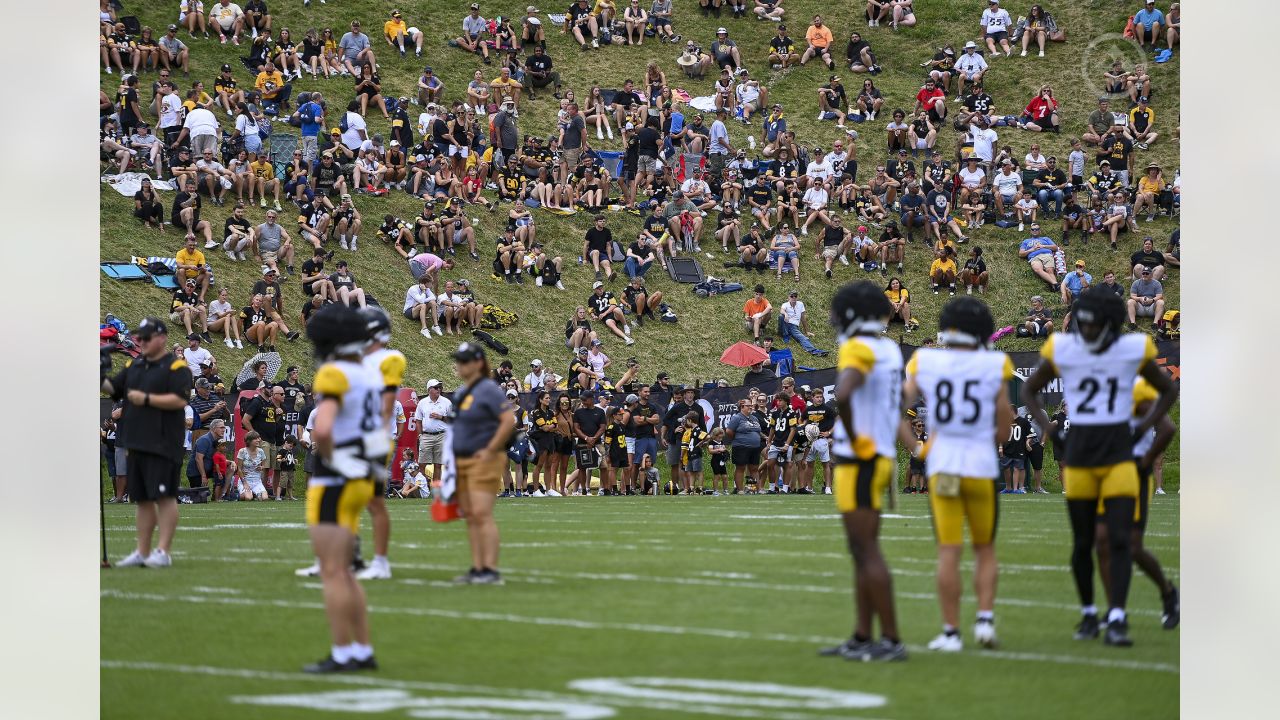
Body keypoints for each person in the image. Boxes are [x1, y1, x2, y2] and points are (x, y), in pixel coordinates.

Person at [1022, 287, 1178, 647]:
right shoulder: (1064, 348)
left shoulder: (1131, 351)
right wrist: (1048, 429)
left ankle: (1118, 616)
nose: (1085, 330)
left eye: (1092, 324)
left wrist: (1141, 426)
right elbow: (1030, 390)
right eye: (1082, 323)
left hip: (1119, 456)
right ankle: (1090, 611)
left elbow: (1167, 392)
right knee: (1083, 543)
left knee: (1121, 541)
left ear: (1109, 324)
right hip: (1079, 457)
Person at [901, 297, 1015, 652]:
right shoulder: (995, 362)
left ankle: (951, 632)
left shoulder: (926, 360)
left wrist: (917, 449)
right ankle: (984, 620)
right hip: (980, 466)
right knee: (985, 549)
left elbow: (895, 406)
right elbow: (1005, 420)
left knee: (949, 551)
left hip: (944, 467)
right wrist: (989, 442)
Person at [818, 282, 906, 662]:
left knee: (866, 550)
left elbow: (844, 392)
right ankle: (861, 635)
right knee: (860, 550)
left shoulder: (856, 347)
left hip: (861, 460)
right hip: (879, 455)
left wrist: (854, 437)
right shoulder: (888, 347)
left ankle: (889, 639)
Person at [298, 303, 381, 672]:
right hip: (362, 475)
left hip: (335, 477)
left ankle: (342, 652)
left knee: (332, 570)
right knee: (345, 570)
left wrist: (333, 459)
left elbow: (324, 429)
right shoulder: (368, 373)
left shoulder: (334, 372)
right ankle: (362, 650)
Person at [102, 318, 193, 568]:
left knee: (164, 496)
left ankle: (163, 551)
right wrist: (101, 374)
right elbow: (114, 390)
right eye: (139, 337)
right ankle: (142, 552)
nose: (140, 342)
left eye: (146, 337)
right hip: (136, 440)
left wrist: (146, 398)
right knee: (142, 499)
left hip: (164, 441)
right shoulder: (134, 364)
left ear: (161, 338)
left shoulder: (176, 367)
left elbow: (179, 400)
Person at [1094, 376, 1181, 630]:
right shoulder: (1100, 382)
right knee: (1102, 541)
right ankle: (1114, 612)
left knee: (1131, 547)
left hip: (1133, 473)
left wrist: (1145, 462)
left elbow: (1167, 428)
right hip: (1106, 470)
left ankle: (1167, 592)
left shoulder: (1137, 387)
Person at [450, 342, 517, 585]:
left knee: (481, 513)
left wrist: (490, 449)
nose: (459, 365)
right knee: (470, 515)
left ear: (478, 363)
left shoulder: (487, 388)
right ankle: (478, 568)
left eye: (464, 361)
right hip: (464, 459)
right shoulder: (462, 391)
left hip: (483, 458)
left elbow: (507, 419)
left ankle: (490, 569)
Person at [779, 291, 828, 356]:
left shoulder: (800, 304)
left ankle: (813, 351)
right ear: (788, 297)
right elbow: (782, 310)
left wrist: (807, 331)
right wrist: (785, 314)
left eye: (795, 296)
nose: (793, 298)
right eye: (791, 296)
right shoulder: (785, 304)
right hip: (785, 324)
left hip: (793, 326)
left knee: (801, 337)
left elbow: (803, 318)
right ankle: (785, 335)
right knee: (781, 316)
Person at [1019, 226, 1060, 291]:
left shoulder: (1045, 238)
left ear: (1040, 231)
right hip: (1034, 257)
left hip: (1047, 255)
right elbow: (1021, 254)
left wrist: (1043, 246)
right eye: (1033, 229)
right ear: (1030, 231)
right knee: (1037, 269)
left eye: (1037, 229)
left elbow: (1055, 247)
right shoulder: (1026, 241)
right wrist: (1032, 249)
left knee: (1050, 271)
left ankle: (1054, 288)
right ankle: (1056, 284)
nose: (1035, 230)